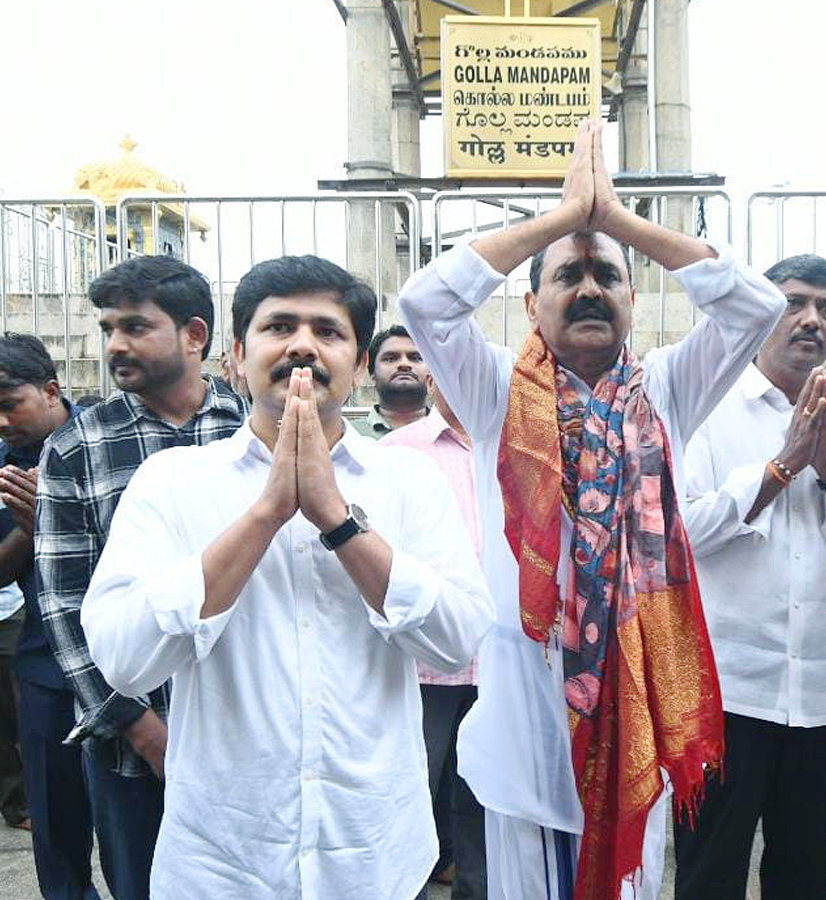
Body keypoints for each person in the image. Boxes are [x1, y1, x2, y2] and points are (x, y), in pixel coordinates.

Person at [399, 119, 784, 900]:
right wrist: (560, 221)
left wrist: (615, 222)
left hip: (636, 687)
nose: (587, 289)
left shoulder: (668, 387)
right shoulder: (495, 387)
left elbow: (756, 309)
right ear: (533, 303)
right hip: (525, 692)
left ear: (634, 301)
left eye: (607, 277)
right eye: (566, 277)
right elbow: (425, 303)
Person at [80, 254, 493, 900]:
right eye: (279, 327)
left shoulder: (408, 482)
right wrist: (268, 513)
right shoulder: (173, 482)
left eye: (328, 331)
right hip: (222, 863)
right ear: (237, 357)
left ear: (359, 368)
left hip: (374, 858)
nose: (302, 344)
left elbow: (458, 638)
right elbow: (126, 661)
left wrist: (338, 523)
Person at [36, 256, 248, 900]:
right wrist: (134, 722)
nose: (115, 345)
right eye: (107, 328)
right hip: (132, 747)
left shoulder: (250, 427)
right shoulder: (77, 447)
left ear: (195, 335)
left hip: (249, 728)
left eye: (134, 326)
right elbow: (65, 603)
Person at [677, 257, 826, 900]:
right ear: (762, 313)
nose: (812, 320)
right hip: (726, 688)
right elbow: (684, 536)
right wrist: (779, 470)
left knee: (805, 868)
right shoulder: (705, 408)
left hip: (821, 688)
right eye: (793, 302)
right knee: (711, 867)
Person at [0, 334, 100, 900]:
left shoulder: (102, 441)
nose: (1, 420)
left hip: (124, 659)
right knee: (55, 816)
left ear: (51, 390)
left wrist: (64, 518)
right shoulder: (4, 469)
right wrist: (33, 526)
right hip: (44, 664)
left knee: (139, 813)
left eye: (10, 403)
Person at [382, 374, 487, 898]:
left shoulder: (516, 447)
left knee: (488, 805)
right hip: (423, 665)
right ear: (432, 380)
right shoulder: (399, 452)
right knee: (407, 799)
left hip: (501, 664)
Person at [352, 325, 430, 438]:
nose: (404, 364)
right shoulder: (347, 437)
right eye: (391, 358)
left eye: (415, 358)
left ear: (432, 375)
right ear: (372, 375)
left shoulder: (456, 435)